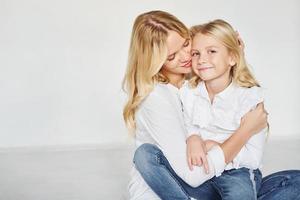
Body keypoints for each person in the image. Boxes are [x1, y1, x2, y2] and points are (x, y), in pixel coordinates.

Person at [123, 10, 300, 200]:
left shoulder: (192, 80)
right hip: (178, 184)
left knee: (295, 181)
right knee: (145, 154)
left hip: (217, 174)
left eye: (185, 44)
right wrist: (243, 132)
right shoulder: (157, 97)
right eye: (172, 56)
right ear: (155, 61)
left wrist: (234, 55)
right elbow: (193, 176)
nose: (186, 57)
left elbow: (222, 72)